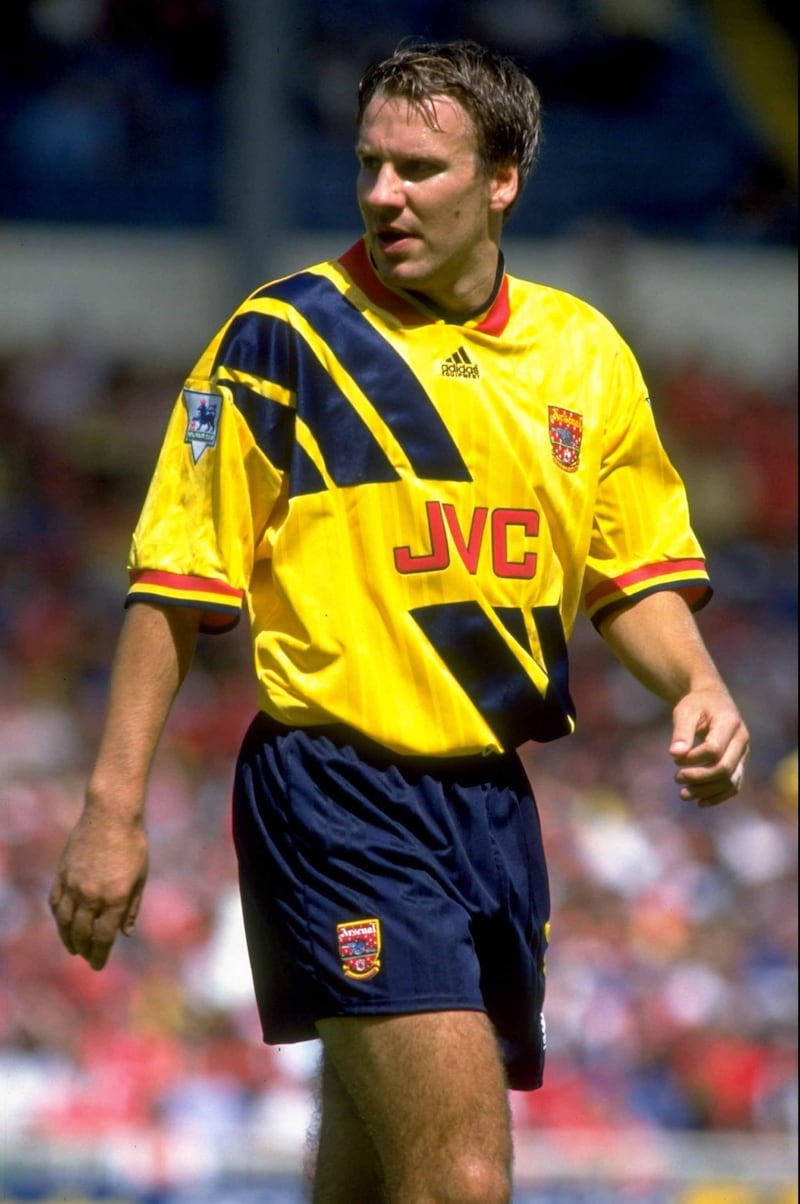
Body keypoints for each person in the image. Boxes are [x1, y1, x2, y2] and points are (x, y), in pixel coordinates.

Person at [50, 38, 750, 1204]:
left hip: (487, 801)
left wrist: (698, 686)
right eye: (369, 164)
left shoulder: (582, 355)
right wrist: (111, 813)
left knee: (373, 1177)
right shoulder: (283, 338)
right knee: (459, 1179)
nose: (383, 193)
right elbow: (173, 586)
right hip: (335, 785)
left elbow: (630, 574)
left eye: (419, 168)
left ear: (502, 180)